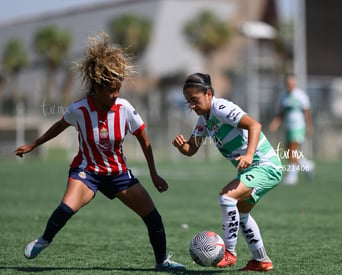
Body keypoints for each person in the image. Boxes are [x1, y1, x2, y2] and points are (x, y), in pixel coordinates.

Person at [14, 33, 185, 271]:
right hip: (87, 171)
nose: (115, 95)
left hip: (118, 174)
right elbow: (58, 127)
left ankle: (162, 262)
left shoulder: (124, 108)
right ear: (97, 87)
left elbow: (145, 142)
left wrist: (154, 174)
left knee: (153, 217)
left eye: (118, 89)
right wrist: (33, 145)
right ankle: (43, 240)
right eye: (111, 91)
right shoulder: (79, 109)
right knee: (66, 208)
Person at [172, 73, 282, 272]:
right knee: (241, 213)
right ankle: (261, 260)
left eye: (194, 100)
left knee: (226, 197)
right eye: (188, 102)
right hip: (255, 168)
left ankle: (229, 253)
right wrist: (182, 147)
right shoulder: (203, 120)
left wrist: (249, 155)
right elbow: (192, 149)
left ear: (208, 94)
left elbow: (254, 125)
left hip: (265, 165)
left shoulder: (221, 108)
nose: (192, 106)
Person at [268, 74, 314, 185]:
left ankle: (293, 176)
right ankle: (307, 165)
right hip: (289, 126)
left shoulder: (300, 95)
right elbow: (281, 112)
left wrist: (309, 126)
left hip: (298, 126)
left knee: (292, 150)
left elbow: (307, 112)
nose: (290, 85)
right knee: (288, 151)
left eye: (292, 83)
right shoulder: (284, 96)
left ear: (295, 83)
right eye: (288, 83)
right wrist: (276, 122)